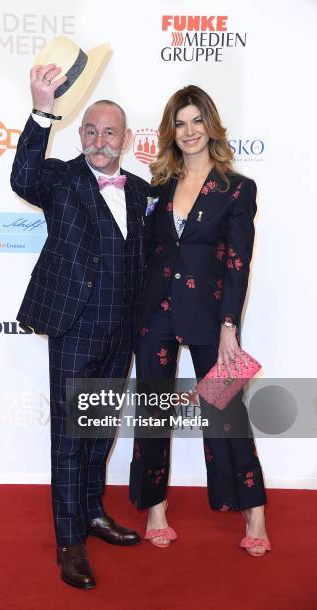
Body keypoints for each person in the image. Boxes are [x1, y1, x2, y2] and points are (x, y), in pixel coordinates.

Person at [11, 63, 150, 588]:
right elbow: (22, 176)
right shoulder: (60, 178)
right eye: (90, 130)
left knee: (98, 433)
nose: (98, 140)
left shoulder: (139, 190)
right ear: (81, 134)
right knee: (71, 436)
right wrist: (41, 111)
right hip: (75, 326)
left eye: (109, 131)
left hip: (121, 333)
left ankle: (93, 513)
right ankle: (69, 541)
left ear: (125, 138)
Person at [129, 85, 271, 557]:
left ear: (211, 125)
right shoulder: (158, 187)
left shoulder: (236, 188)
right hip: (156, 311)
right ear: (171, 130)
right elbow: (148, 252)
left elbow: (238, 261)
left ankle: (254, 512)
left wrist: (230, 324)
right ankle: (155, 510)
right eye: (180, 122)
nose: (189, 132)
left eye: (196, 121)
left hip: (212, 314)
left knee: (227, 411)